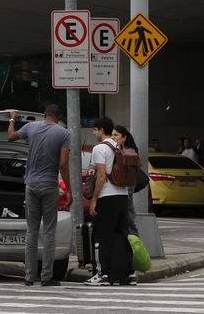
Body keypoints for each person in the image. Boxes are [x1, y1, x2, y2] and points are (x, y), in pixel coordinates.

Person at [7, 106, 71, 287]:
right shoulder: (64, 133)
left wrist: (12, 119)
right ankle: (46, 277)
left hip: (31, 185)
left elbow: (10, 137)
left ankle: (29, 276)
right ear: (59, 117)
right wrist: (68, 190)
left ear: (44, 115)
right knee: (49, 231)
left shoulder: (31, 127)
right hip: (49, 185)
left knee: (32, 231)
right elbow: (63, 164)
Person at [85, 118, 134, 287]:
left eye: (94, 130)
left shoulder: (100, 148)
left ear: (100, 130)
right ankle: (128, 273)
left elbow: (101, 176)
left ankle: (102, 274)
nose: (94, 133)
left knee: (100, 236)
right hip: (122, 196)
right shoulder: (118, 146)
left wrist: (94, 199)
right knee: (121, 235)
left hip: (107, 197)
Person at [112, 125, 140, 236]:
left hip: (126, 193)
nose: (113, 137)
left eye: (116, 135)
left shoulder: (129, 153)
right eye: (112, 135)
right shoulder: (121, 151)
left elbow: (129, 179)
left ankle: (134, 245)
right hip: (122, 193)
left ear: (124, 138)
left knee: (129, 222)